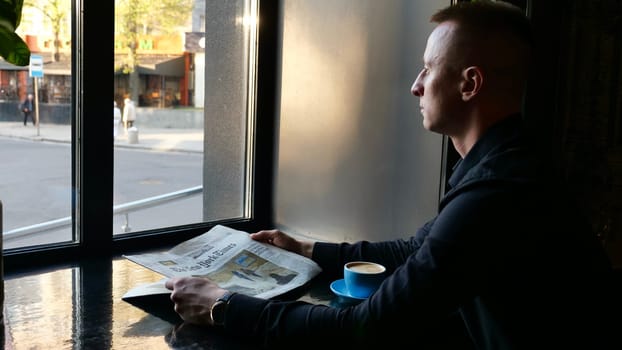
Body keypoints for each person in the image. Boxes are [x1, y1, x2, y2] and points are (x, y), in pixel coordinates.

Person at [165, 2, 620, 349]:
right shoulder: (501, 163)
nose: (416, 84)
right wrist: (305, 247)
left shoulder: (499, 192)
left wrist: (224, 307)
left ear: (469, 84)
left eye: (429, 68)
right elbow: (418, 250)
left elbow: (366, 328)